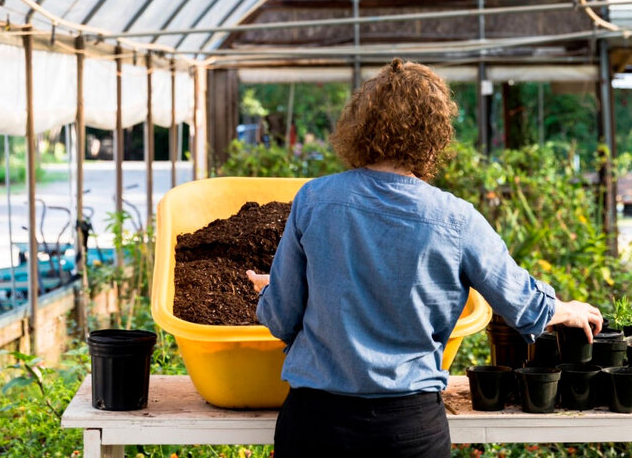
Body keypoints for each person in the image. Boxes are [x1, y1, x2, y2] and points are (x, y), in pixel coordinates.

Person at [247, 58, 602, 457]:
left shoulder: (314, 199)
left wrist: (274, 290)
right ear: (435, 134)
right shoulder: (456, 218)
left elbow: (280, 318)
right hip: (408, 430)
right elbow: (521, 305)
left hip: (315, 426)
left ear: (359, 125)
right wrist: (567, 309)